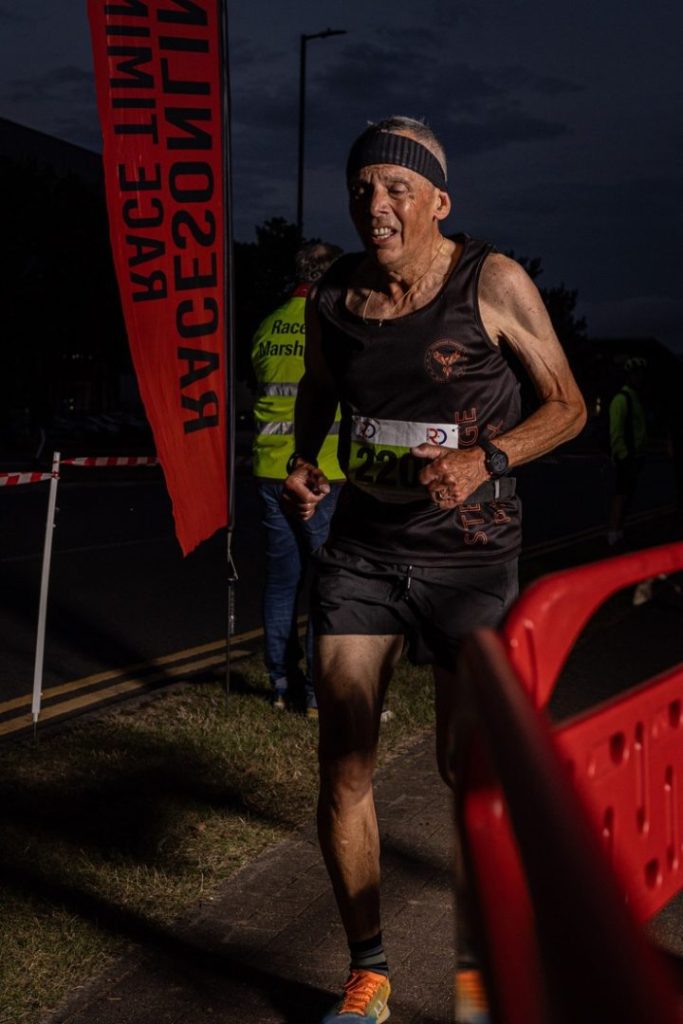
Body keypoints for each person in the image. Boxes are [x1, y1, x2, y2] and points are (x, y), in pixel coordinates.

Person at [282, 116, 586, 1022]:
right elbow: (318, 393)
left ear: (437, 202)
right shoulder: (334, 294)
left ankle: (481, 954)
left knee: (468, 771)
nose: (374, 205)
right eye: (362, 188)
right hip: (365, 554)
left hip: (469, 560)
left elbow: (568, 405)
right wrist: (308, 463)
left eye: (395, 189)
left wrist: (485, 460)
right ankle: (368, 973)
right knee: (343, 762)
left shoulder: (489, 281)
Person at [251, 242, 344, 715]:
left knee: (282, 582)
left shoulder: (267, 327)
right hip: (323, 472)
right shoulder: (332, 325)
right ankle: (315, 695)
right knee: (329, 583)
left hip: (270, 470)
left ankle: (282, 686)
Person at [607, 356, 648, 548]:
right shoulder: (621, 399)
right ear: (629, 377)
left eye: (641, 375)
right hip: (627, 457)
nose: (639, 378)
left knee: (627, 495)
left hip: (636, 456)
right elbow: (616, 430)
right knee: (620, 494)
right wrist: (622, 455)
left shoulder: (635, 398)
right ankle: (613, 533)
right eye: (635, 374)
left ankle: (619, 530)